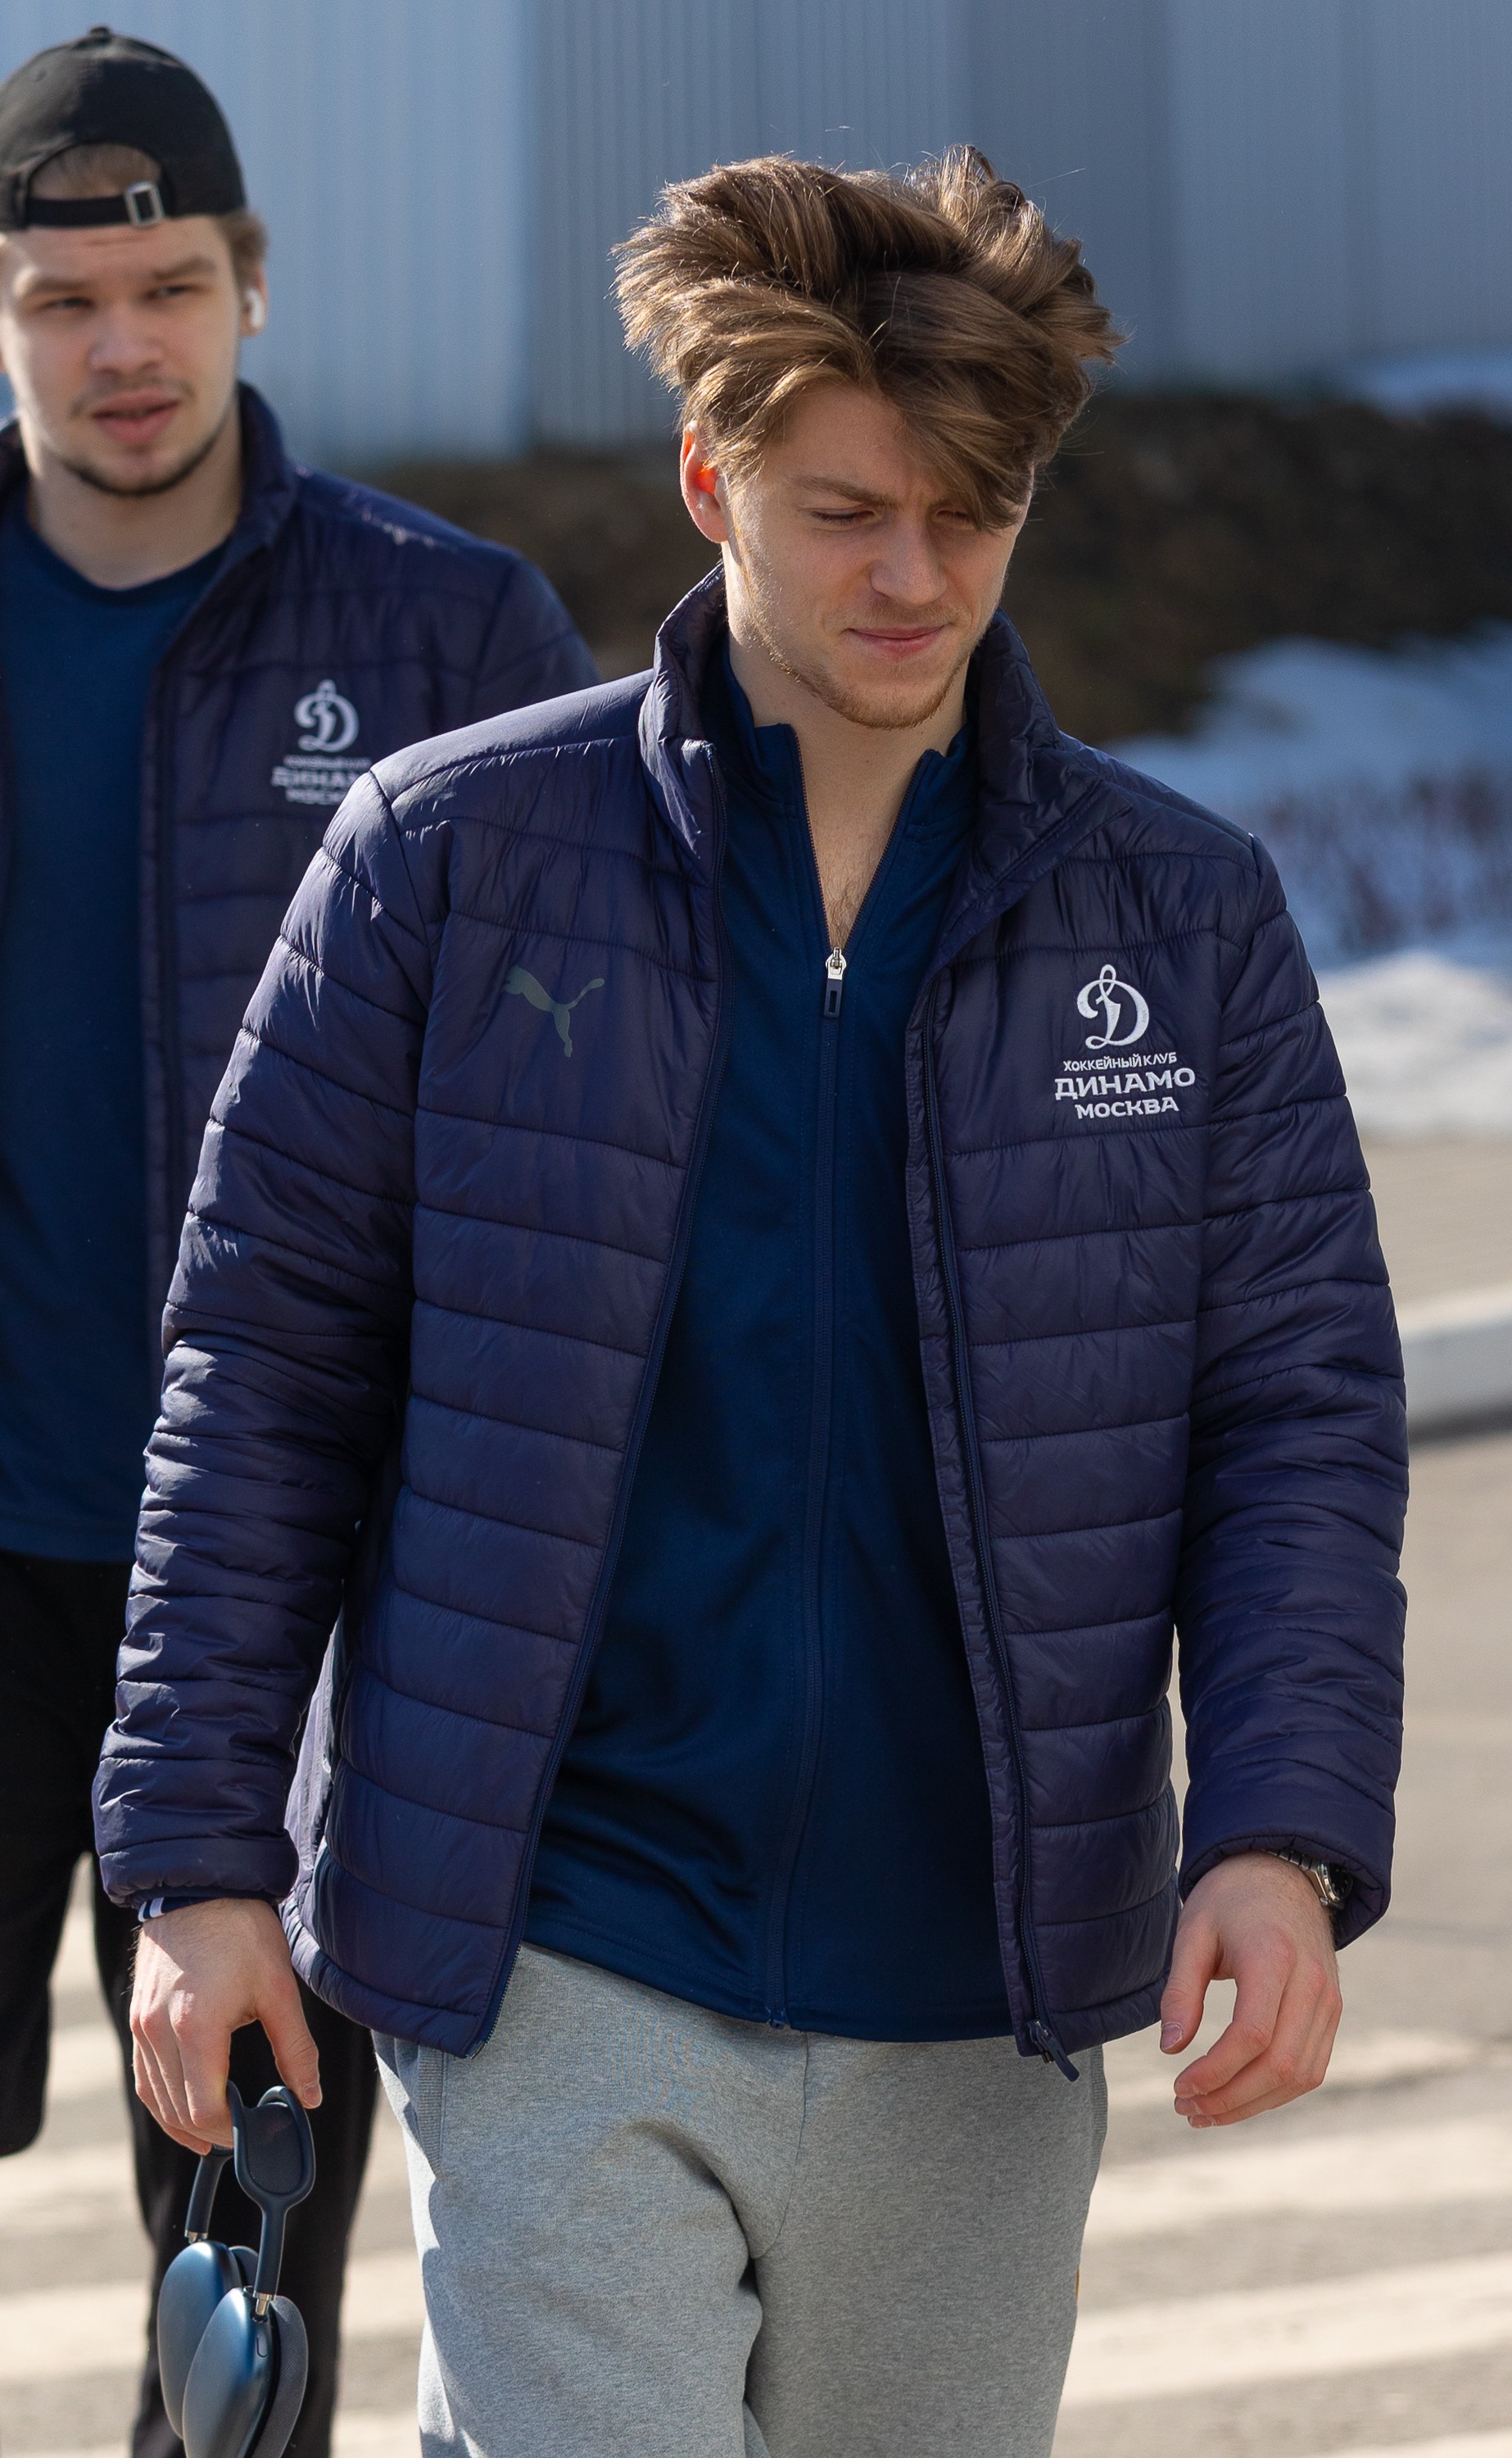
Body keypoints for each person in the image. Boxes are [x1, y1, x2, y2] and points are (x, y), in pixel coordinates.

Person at [96, 147, 1407, 2457]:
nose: (916, 576)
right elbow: (265, 1374)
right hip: (563, 1944)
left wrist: (1278, 1835)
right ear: (709, 483)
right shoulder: (442, 864)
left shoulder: (1181, 921)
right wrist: (202, 1859)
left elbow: (1293, 1411)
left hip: (981, 1984)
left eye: (972, 516)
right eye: (844, 512)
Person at [0, 25, 596, 2458]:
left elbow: (597, 1102)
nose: (119, 347)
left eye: (166, 287)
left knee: (241, 2248)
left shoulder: (450, 639)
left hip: (288, 1578)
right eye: (61, 299)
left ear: (252, 286)